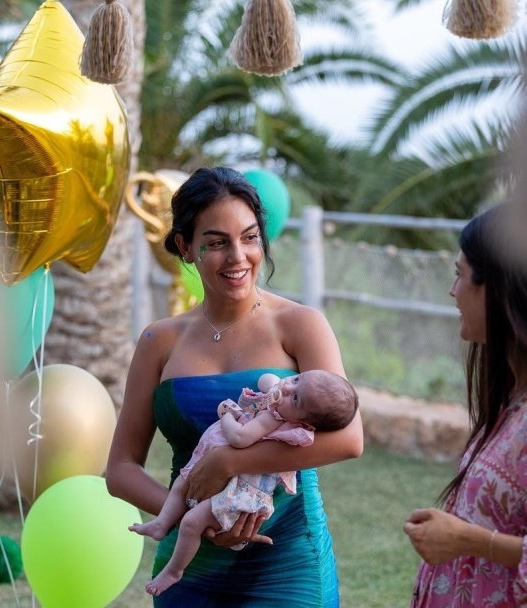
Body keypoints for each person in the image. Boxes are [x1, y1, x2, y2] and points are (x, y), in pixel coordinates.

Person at [106, 166, 363, 607]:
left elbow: (349, 438)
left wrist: (226, 461)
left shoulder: (301, 325)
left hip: (288, 560)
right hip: (189, 566)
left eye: (249, 238)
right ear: (186, 247)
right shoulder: (158, 341)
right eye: (217, 242)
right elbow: (120, 469)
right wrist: (196, 517)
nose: (238, 257)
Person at [129, 369, 359, 596]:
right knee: (181, 484)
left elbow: (239, 439)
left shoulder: (273, 419)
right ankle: (161, 524)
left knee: (191, 522)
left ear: (305, 423)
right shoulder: (278, 401)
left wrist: (228, 416)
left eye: (296, 398)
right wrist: (279, 388)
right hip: (214, 474)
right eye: (296, 379)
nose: (288, 388)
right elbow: (266, 379)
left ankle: (174, 570)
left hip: (238, 491)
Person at [403, 202, 527, 607]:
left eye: (460, 275)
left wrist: (468, 540)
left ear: (500, 288)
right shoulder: (510, 399)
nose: (452, 291)